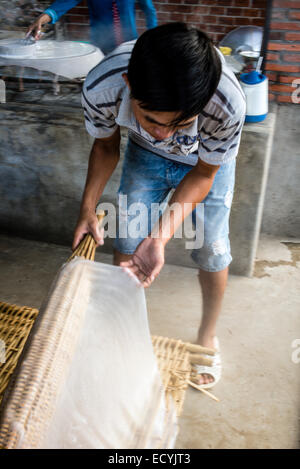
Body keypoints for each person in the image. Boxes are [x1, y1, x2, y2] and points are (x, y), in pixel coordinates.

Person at [72, 23, 246, 388]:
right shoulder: (101, 87)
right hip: (143, 154)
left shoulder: (227, 102)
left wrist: (160, 238)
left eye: (180, 122)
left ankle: (207, 337)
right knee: (128, 245)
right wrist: (87, 208)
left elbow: (203, 174)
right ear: (129, 85)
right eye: (152, 119)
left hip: (204, 164)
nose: (164, 133)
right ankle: (125, 332)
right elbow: (105, 146)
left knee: (212, 249)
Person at [27, 0, 157, 54]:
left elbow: (149, 10)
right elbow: (62, 4)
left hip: (129, 43)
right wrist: (43, 18)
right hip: (101, 44)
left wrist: (152, 37)